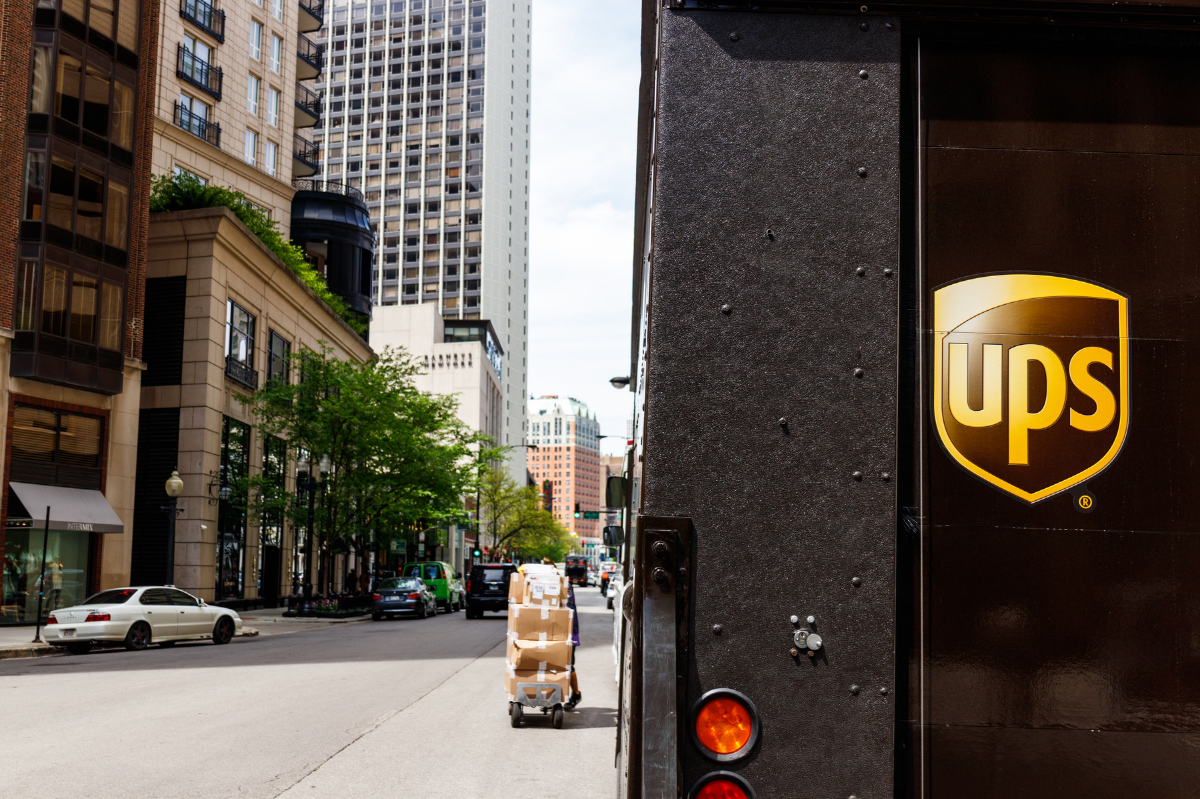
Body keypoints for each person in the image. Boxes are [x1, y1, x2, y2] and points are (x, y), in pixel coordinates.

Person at [565, 579, 582, 711]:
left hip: (568, 632)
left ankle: (576, 694)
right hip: (553, 632)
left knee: (569, 665)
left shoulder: (565, 587)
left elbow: (567, 607)